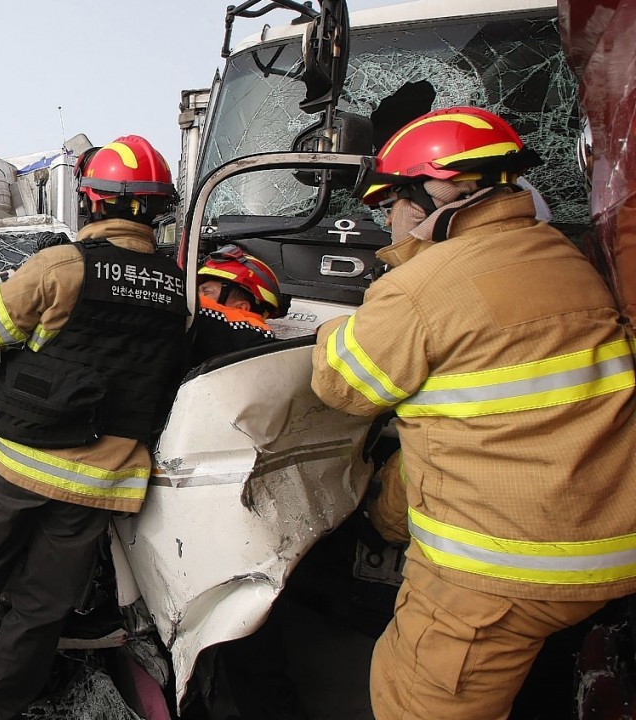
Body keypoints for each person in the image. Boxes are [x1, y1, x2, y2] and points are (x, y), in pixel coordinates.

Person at [309, 106, 636, 719]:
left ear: (433, 194)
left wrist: (334, 330)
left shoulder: (422, 285)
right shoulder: (567, 259)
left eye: (391, 203)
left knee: (412, 697)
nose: (385, 220)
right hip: (611, 546)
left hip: (498, 572)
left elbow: (342, 387)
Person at [0, 135, 188, 720]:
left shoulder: (63, 266)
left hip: (20, 466)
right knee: (39, 614)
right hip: (98, 485)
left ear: (91, 200)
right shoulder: (174, 289)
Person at [189, 244, 287, 364]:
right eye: (197, 292)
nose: (197, 297)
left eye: (207, 292)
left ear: (241, 307)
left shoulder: (255, 337)